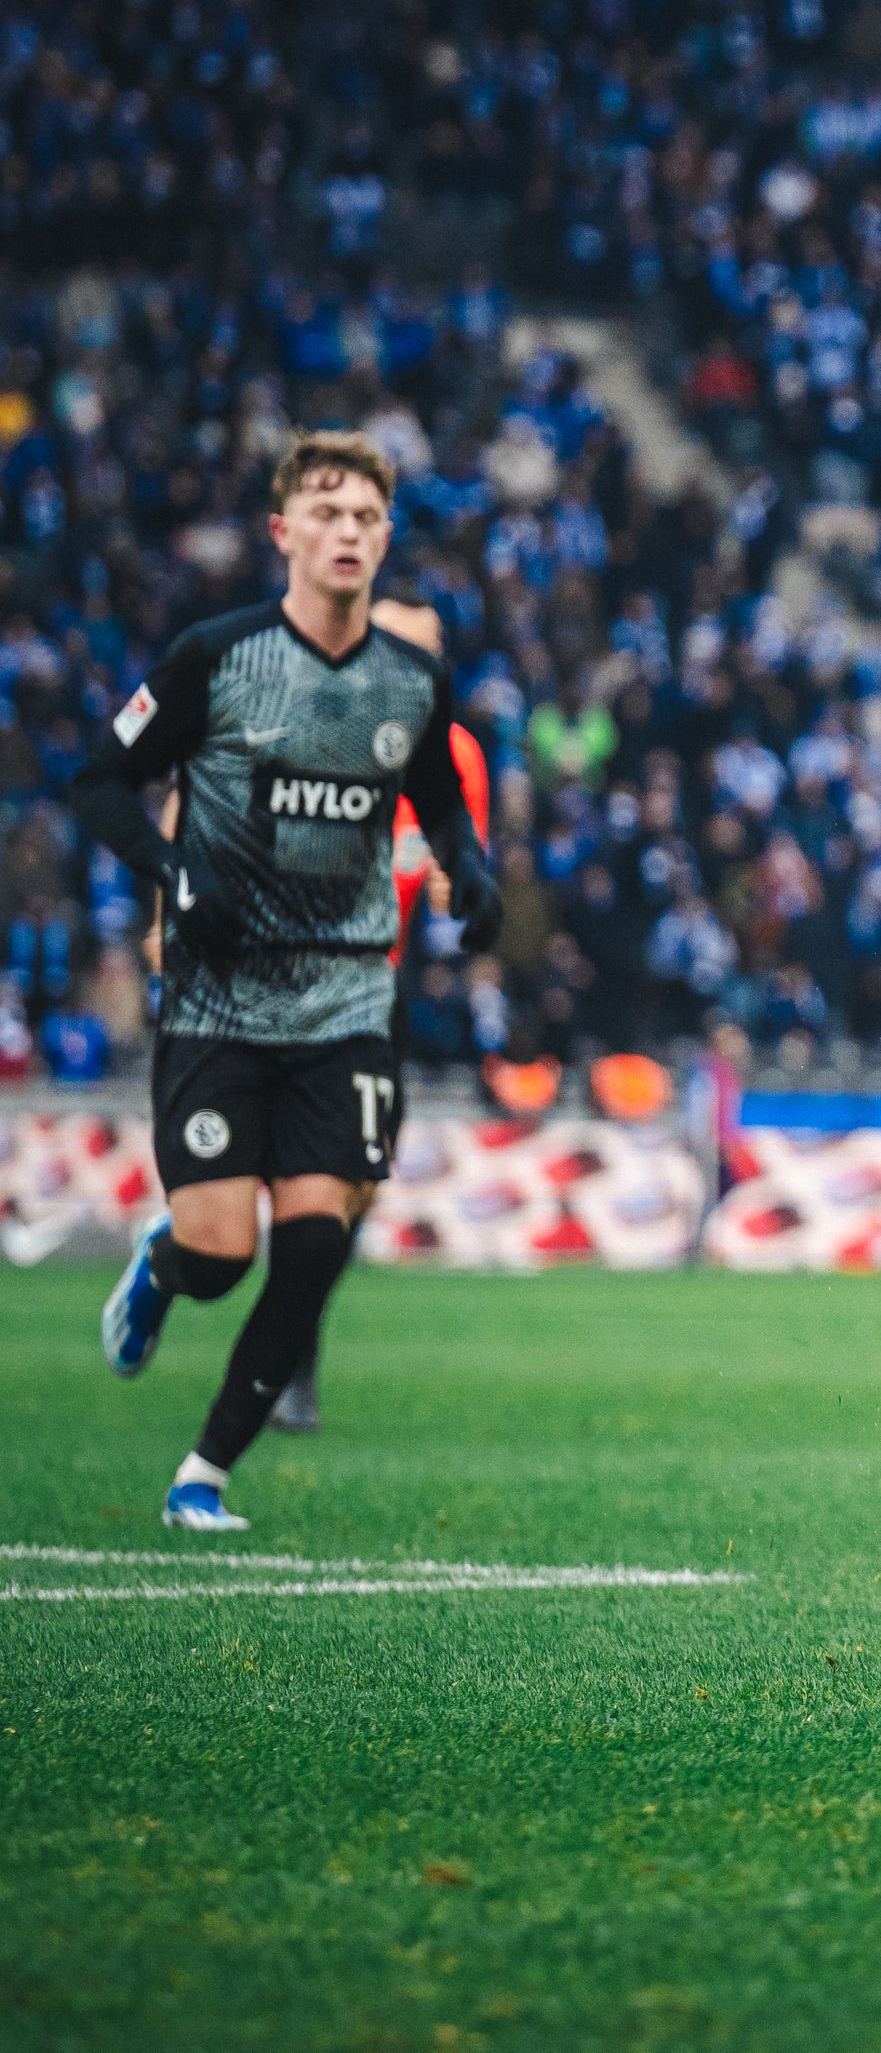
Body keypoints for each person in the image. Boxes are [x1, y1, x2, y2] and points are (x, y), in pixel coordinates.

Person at [82, 432, 498, 1530]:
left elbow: (436, 795)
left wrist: (470, 867)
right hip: (223, 1000)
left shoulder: (412, 680)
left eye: (365, 517)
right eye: (326, 513)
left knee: (316, 1241)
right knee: (222, 1253)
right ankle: (166, 1266)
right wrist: (173, 874)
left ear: (386, 537)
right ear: (284, 533)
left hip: (347, 999)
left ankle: (203, 1473)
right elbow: (101, 780)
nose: (347, 532)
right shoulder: (216, 658)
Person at [136, 595, 481, 1439]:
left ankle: (294, 1355)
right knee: (248, 1217)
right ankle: (190, 1261)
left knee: (349, 1198)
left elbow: (454, 843)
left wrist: (459, 881)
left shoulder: (450, 749)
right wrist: (165, 917)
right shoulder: (303, 709)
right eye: (402, 645)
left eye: (432, 651)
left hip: (367, 993)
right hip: (254, 982)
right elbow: (194, 792)